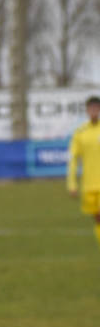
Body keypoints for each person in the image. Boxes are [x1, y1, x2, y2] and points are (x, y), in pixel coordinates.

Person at [67, 94, 100, 251]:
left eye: (96, 108)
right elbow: (73, 160)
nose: (94, 111)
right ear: (87, 111)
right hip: (89, 185)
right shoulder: (80, 133)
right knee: (97, 219)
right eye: (91, 109)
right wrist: (72, 184)